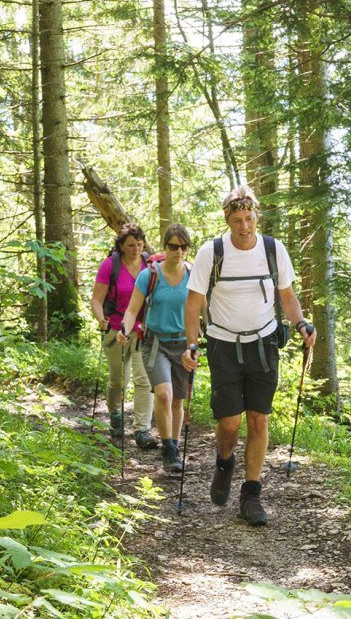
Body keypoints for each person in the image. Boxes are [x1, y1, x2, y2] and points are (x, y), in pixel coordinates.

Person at [181, 186, 316, 526]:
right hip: (223, 345)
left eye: (249, 218)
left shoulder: (273, 250)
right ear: (227, 220)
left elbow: (286, 295)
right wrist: (191, 343)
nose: (244, 226)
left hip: (264, 343)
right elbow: (194, 302)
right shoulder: (211, 252)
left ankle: (251, 493)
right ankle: (224, 461)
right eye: (237, 219)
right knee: (229, 423)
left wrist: (300, 322)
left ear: (258, 217)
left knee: (259, 418)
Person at [121, 223, 194, 473]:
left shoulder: (193, 275)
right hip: (155, 343)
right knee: (164, 394)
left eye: (183, 246)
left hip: (184, 344)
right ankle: (169, 450)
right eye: (173, 246)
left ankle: (174, 443)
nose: (178, 251)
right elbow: (132, 310)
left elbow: (206, 311)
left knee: (178, 401)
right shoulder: (149, 275)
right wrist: (125, 329)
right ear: (165, 247)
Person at [90, 223, 157, 449]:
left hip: (143, 330)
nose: (136, 249)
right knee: (119, 380)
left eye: (139, 244)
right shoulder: (110, 265)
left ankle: (142, 429)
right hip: (116, 329)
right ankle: (116, 415)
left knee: (143, 380)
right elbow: (97, 300)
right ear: (120, 246)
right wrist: (101, 320)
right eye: (130, 245)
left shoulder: (151, 265)